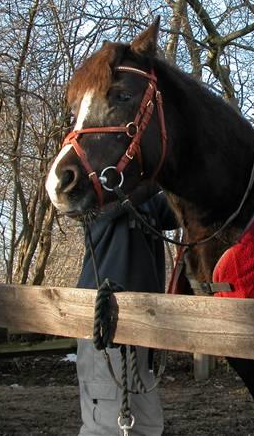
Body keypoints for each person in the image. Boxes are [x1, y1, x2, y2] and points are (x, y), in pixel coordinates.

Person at [76, 184, 178, 436]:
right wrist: (159, 173)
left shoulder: (150, 202)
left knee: (147, 424)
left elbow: (183, 203)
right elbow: (120, 199)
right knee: (104, 426)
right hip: (103, 327)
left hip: (142, 327)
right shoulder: (96, 193)